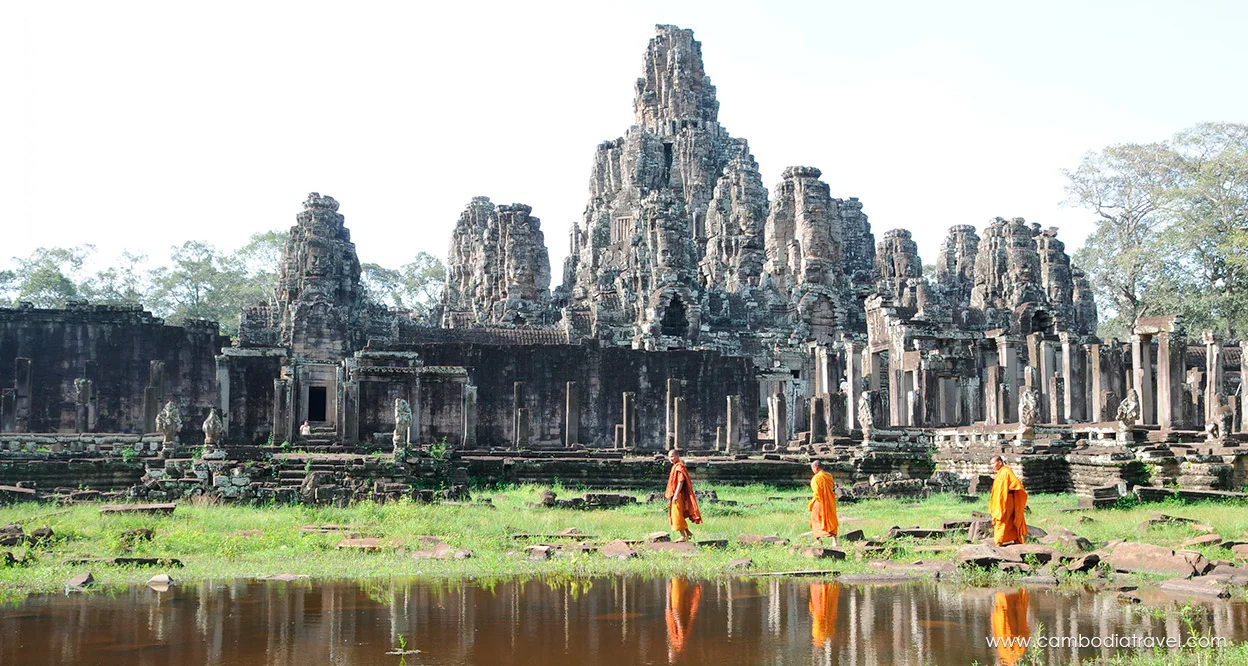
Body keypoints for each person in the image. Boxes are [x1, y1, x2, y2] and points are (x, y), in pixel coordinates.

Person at [989, 455, 1028, 546]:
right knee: (1006, 520)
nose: (992, 466)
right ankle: (1015, 539)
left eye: (993, 463)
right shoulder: (1000, 473)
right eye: (991, 464)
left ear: (1000, 462)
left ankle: (999, 541)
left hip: (1007, 501)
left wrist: (1008, 491)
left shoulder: (1006, 471)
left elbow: (1016, 483)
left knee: (1003, 519)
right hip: (1001, 501)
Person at [665, 449, 701, 542]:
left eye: (673, 456)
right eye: (669, 457)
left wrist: (676, 494)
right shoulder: (675, 467)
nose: (671, 459)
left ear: (677, 456)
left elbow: (681, 481)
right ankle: (688, 533)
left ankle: (683, 536)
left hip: (678, 494)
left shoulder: (679, 467)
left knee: (676, 515)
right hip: (676, 494)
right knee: (678, 514)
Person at [991, 588, 1030, 665]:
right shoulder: (1015, 654)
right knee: (1005, 615)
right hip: (1010, 634)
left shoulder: (1011, 654)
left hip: (1007, 635)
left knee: (1004, 615)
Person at [808, 460, 838, 546]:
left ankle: (818, 539)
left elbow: (816, 492)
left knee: (815, 519)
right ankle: (834, 541)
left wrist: (816, 499)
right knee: (831, 519)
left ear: (816, 468)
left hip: (819, 502)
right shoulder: (829, 476)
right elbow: (832, 487)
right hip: (830, 501)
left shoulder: (816, 478)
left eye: (812, 469)